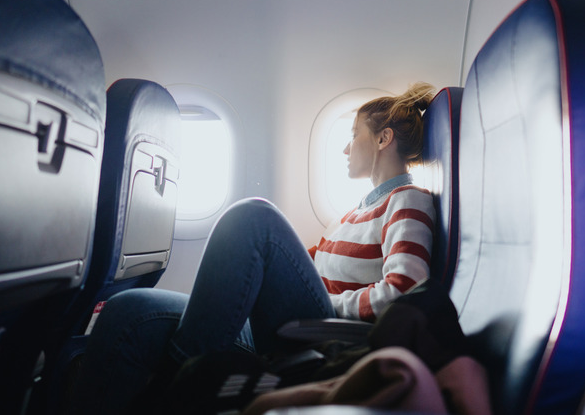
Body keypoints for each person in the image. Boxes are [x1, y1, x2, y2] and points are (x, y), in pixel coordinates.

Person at [70, 82, 437, 414]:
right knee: (128, 309)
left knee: (255, 219)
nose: (346, 147)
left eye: (354, 134)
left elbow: (404, 292)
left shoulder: (407, 200)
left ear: (383, 139)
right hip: (296, 319)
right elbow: (304, 270)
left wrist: (331, 304)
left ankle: (181, 388)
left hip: (324, 329)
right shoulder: (352, 213)